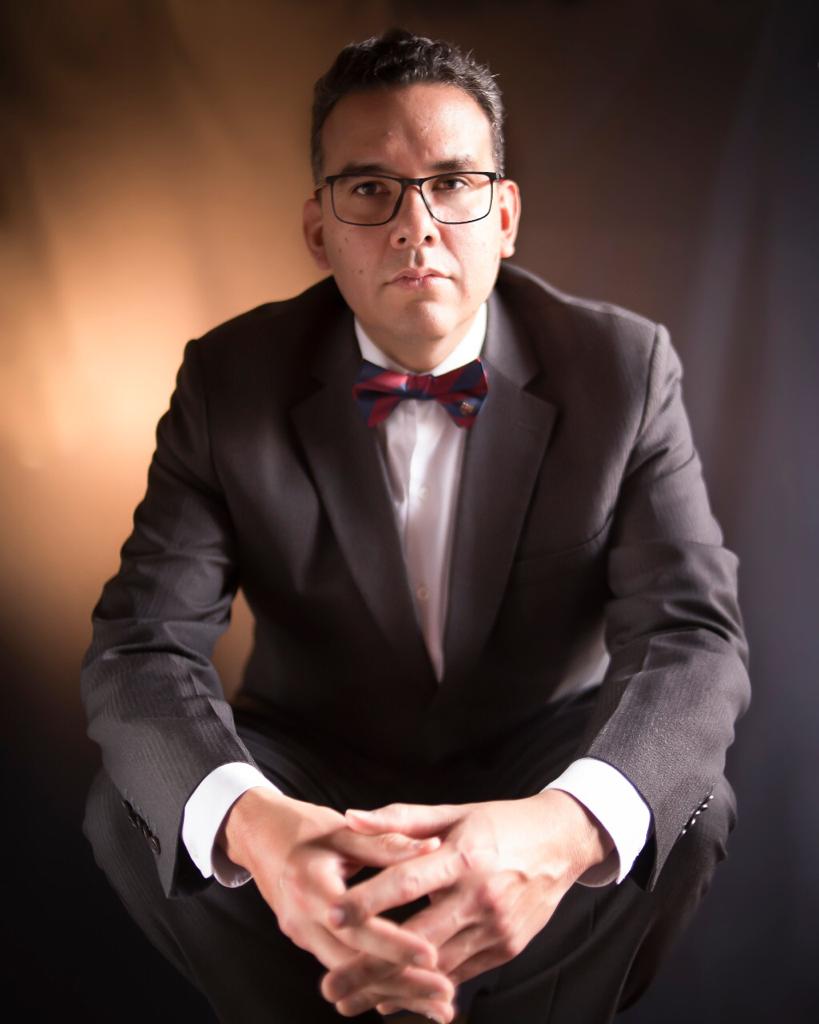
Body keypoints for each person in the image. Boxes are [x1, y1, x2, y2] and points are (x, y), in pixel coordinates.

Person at [81, 28, 750, 1024]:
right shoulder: (228, 379)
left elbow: (692, 634)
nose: (416, 225)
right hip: (312, 761)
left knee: (685, 808)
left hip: (535, 755)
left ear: (504, 215)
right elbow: (142, 642)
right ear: (318, 230)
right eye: (370, 189)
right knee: (133, 808)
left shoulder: (624, 367)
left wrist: (563, 825)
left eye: (452, 183)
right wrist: (257, 824)